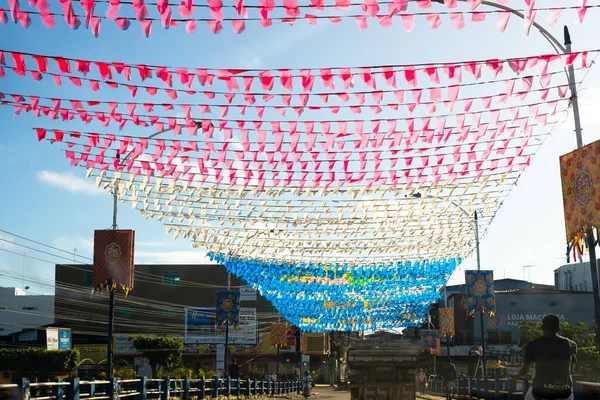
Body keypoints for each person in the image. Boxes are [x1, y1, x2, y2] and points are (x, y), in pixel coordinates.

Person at [511, 314, 577, 400]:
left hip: (541, 393)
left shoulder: (533, 344)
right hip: (564, 393)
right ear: (558, 329)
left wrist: (516, 377)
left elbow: (525, 371)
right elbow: (570, 371)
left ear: (542, 328)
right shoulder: (572, 345)